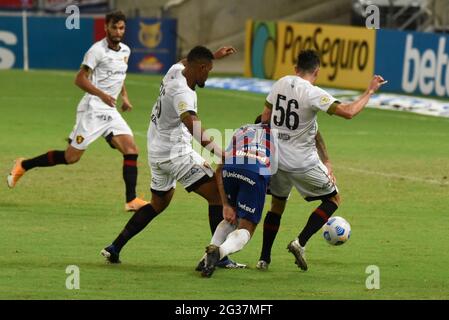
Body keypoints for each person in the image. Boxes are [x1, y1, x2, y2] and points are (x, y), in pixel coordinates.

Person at [101, 45, 245, 269]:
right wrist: (220, 152)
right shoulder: (182, 93)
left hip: (157, 152)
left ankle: (114, 247)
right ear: (200, 68)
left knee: (158, 203)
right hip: (176, 154)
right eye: (208, 69)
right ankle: (220, 257)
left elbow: (186, 60)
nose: (209, 74)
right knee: (219, 195)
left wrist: (212, 56)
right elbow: (192, 124)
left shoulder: (175, 69)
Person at [256, 49, 387, 271]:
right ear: (316, 71)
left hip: (276, 160)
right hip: (302, 163)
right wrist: (369, 91)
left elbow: (265, 118)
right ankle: (300, 242)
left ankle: (264, 259)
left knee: (277, 206)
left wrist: (326, 161)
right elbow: (348, 112)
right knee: (333, 200)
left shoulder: (280, 83)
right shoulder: (313, 93)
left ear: (296, 68)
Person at [6, 11, 147, 212]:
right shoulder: (96, 51)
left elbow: (119, 75)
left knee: (131, 150)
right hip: (93, 109)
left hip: (110, 110)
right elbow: (79, 79)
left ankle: (131, 200)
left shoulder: (125, 50)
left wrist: (124, 96)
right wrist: (102, 95)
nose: (118, 31)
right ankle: (24, 164)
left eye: (121, 27)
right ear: (106, 27)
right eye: (114, 27)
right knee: (71, 157)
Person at [200, 116, 277, 277]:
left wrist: (226, 204)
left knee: (231, 217)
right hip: (255, 171)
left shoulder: (242, 129)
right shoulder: (280, 136)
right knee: (247, 227)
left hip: (230, 168)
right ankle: (219, 253)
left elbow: (219, 168)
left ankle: (206, 259)